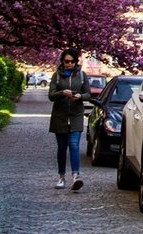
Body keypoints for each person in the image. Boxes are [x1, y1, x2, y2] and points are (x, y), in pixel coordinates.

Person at [47, 49, 90, 190]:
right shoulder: (57, 76)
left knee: (74, 145)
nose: (69, 64)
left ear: (76, 62)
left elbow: (88, 94)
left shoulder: (82, 76)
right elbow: (51, 95)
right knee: (62, 147)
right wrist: (62, 93)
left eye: (72, 61)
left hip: (76, 114)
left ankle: (76, 176)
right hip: (60, 115)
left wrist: (80, 97)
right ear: (63, 62)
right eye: (67, 61)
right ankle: (61, 176)